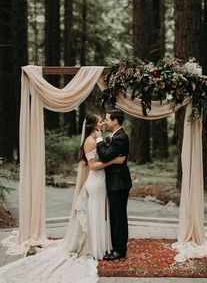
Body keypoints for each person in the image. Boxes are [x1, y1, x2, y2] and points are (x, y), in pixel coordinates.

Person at [0, 114, 125, 283]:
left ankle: (103, 245)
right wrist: (114, 161)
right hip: (96, 182)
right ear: (94, 125)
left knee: (100, 214)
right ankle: (94, 248)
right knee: (94, 213)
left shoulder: (98, 137)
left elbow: (103, 153)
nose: (103, 122)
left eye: (105, 120)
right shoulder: (89, 140)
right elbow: (93, 165)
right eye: (100, 121)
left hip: (102, 181)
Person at [95, 109, 132, 260]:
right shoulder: (114, 136)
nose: (105, 122)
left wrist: (99, 139)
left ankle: (120, 250)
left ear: (115, 121)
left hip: (119, 183)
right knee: (115, 216)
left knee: (118, 217)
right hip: (115, 181)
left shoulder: (121, 138)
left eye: (107, 119)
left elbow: (104, 156)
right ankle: (116, 245)